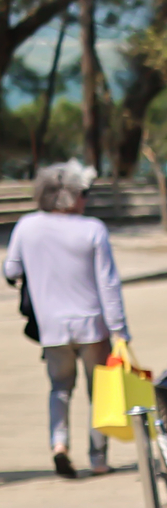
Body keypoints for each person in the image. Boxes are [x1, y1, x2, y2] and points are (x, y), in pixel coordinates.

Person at [5, 161, 131, 479]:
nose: (86, 199)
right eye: (83, 193)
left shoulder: (27, 226)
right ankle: (98, 458)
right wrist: (120, 331)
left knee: (59, 388)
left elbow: (11, 271)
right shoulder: (92, 229)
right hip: (92, 326)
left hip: (52, 328)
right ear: (70, 196)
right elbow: (108, 284)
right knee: (98, 391)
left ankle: (59, 445)